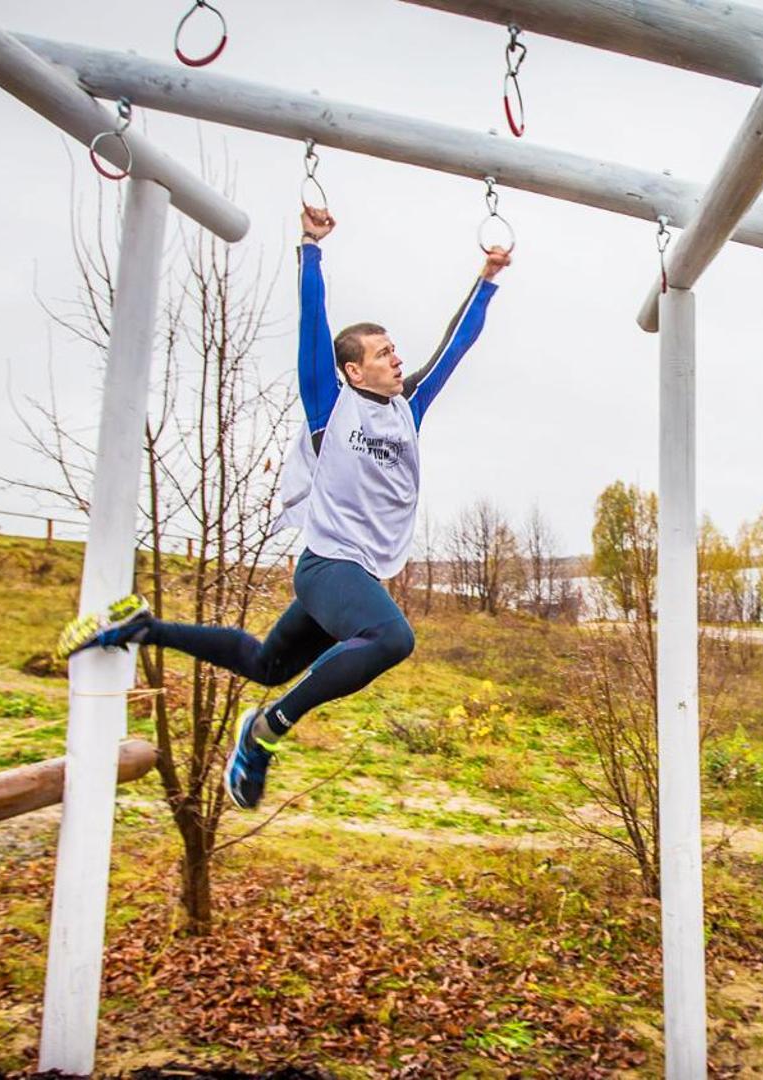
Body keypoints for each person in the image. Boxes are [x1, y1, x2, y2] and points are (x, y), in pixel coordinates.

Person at [55, 204, 511, 809]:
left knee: (267, 662)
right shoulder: (331, 404)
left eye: (395, 349)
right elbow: (311, 322)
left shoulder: (409, 406)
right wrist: (311, 249)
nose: (396, 358)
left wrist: (486, 279)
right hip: (328, 566)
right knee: (391, 638)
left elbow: (456, 345)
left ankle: (142, 626)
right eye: (382, 353)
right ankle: (265, 731)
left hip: (353, 573)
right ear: (353, 369)